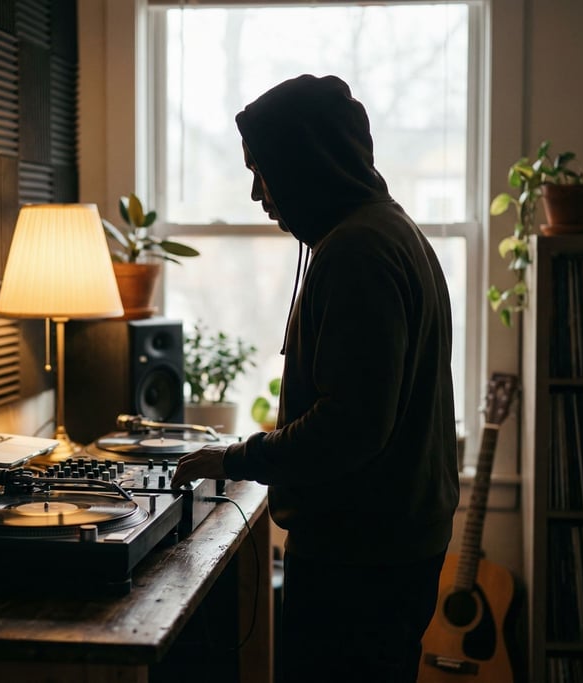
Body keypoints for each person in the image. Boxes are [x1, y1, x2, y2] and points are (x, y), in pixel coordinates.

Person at [171, 74, 459, 683]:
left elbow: (349, 427)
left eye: (263, 170)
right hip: (392, 547)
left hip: (360, 562)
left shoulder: (357, 252)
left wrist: (234, 458)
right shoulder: (387, 230)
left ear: (306, 163)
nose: (256, 194)